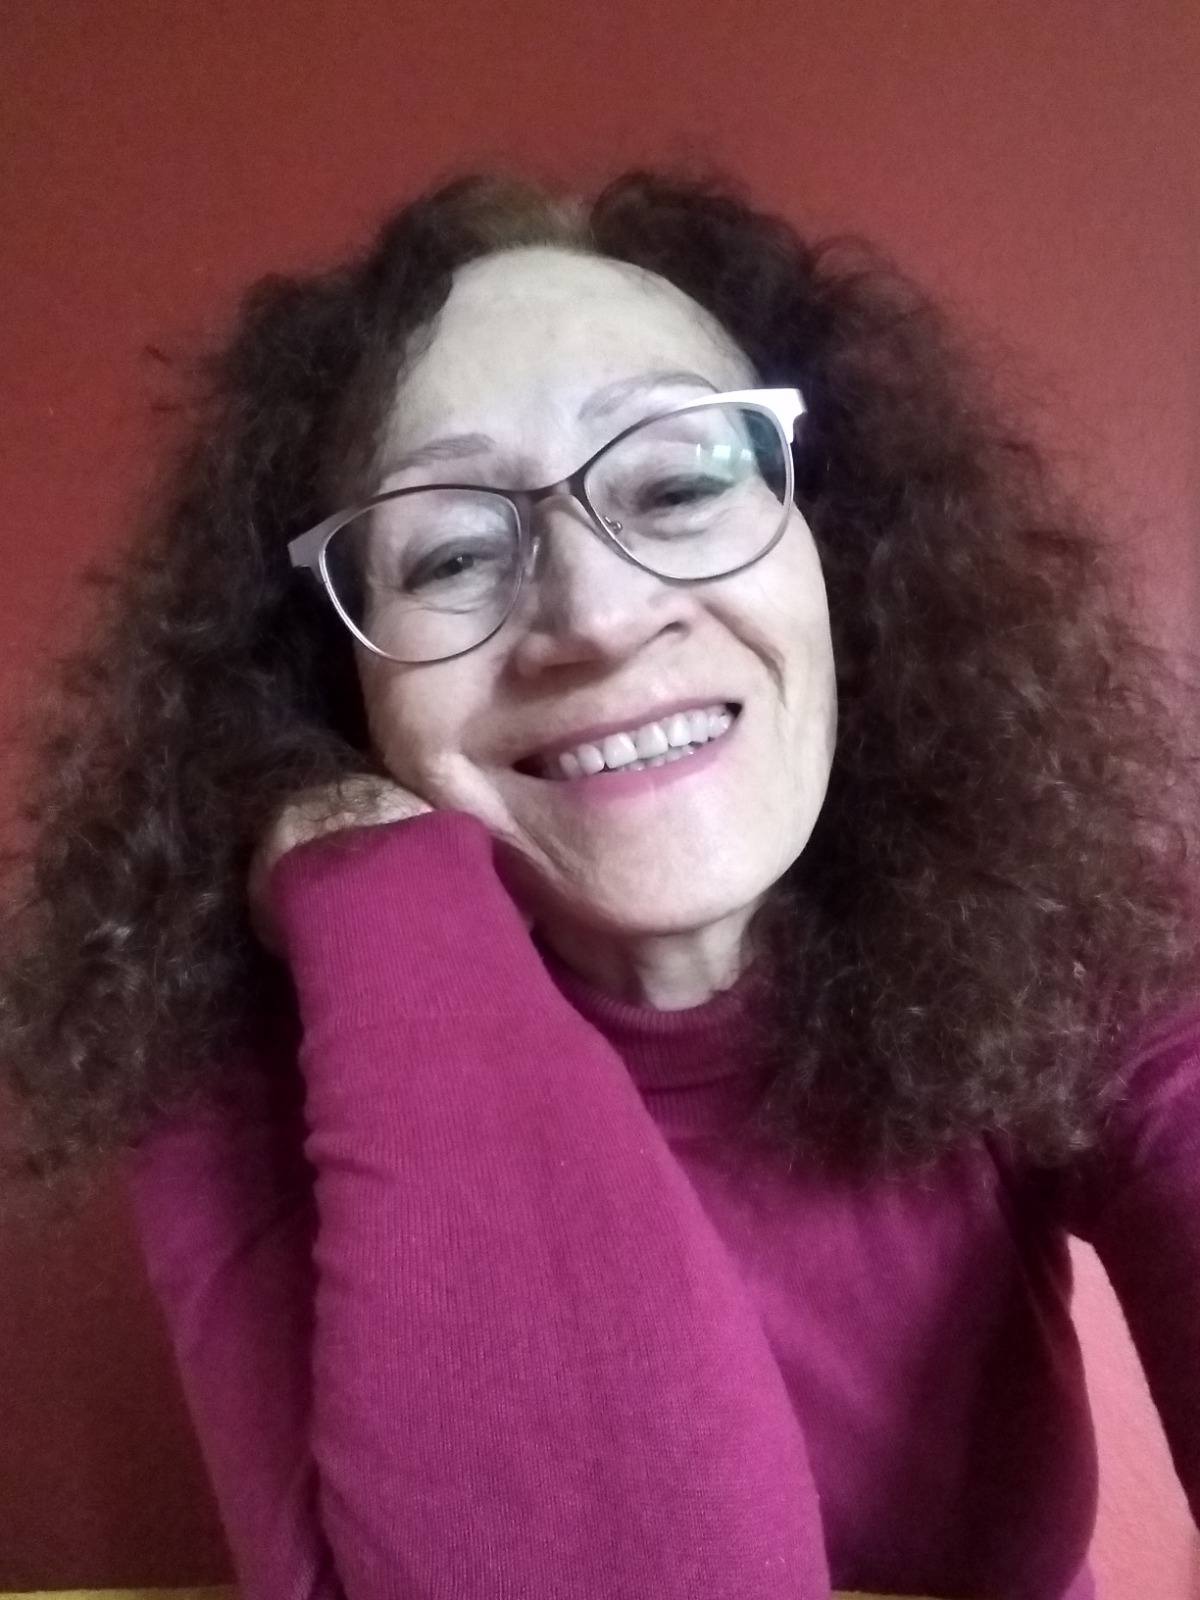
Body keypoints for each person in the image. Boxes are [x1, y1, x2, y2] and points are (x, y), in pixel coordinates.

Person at [2, 171, 1198, 1600]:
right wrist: (368, 872)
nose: (597, 615)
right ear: (337, 677)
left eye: (679, 484)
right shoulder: (232, 1054)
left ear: (836, 553)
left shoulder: (1060, 925)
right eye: (453, 550)